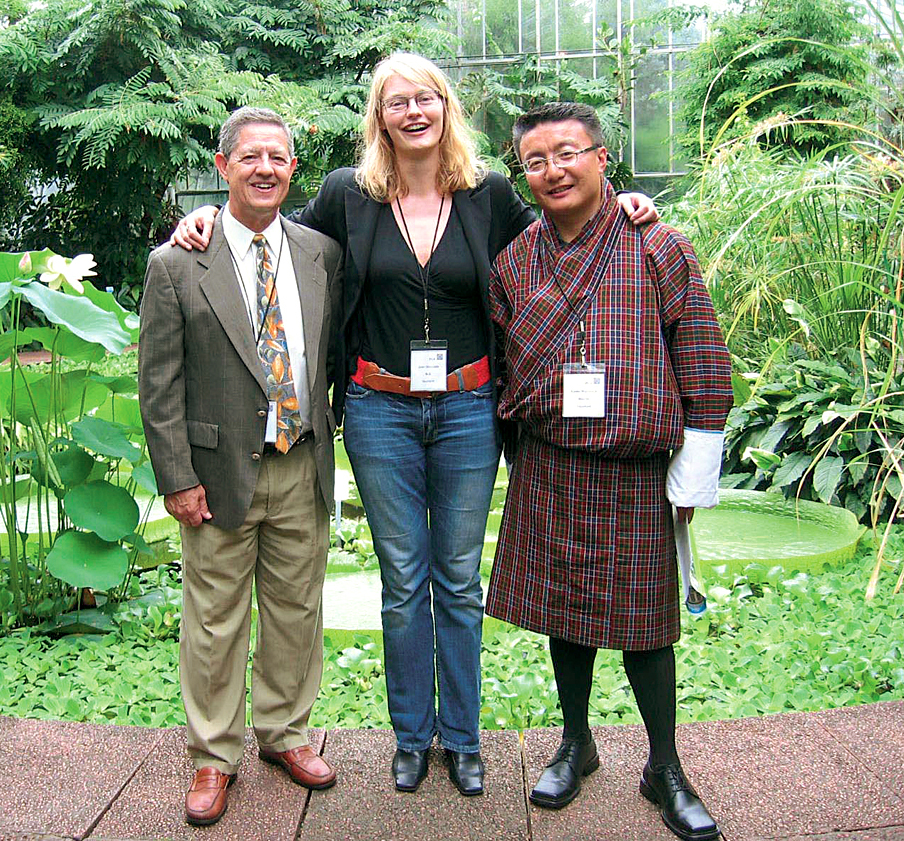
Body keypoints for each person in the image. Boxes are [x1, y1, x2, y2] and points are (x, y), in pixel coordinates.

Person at [169, 53, 658, 796]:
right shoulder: (347, 194)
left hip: (466, 408)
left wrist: (624, 201)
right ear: (379, 115)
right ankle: (411, 737)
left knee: (457, 579)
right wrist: (204, 214)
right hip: (378, 409)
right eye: (397, 101)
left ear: (445, 107)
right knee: (403, 581)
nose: (413, 111)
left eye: (425, 97)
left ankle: (461, 739)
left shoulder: (488, 194)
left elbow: (567, 230)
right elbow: (269, 243)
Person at [487, 101, 732, 841]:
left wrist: (691, 478)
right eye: (535, 160)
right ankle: (576, 742)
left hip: (632, 469)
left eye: (567, 153)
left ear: (601, 158)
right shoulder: (514, 261)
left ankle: (666, 766)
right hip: (550, 462)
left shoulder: (657, 244)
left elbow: (701, 357)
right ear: (522, 173)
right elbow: (502, 368)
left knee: (646, 624)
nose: (552, 170)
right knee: (565, 613)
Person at [138, 106, 343, 827]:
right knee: (214, 620)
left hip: (300, 462)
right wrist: (175, 477)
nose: (265, 168)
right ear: (222, 168)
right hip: (217, 471)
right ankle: (212, 755)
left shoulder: (321, 254)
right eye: (250, 156)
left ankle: (285, 732)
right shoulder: (176, 262)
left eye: (278, 158)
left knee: (296, 611)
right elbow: (158, 382)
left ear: (293, 170)